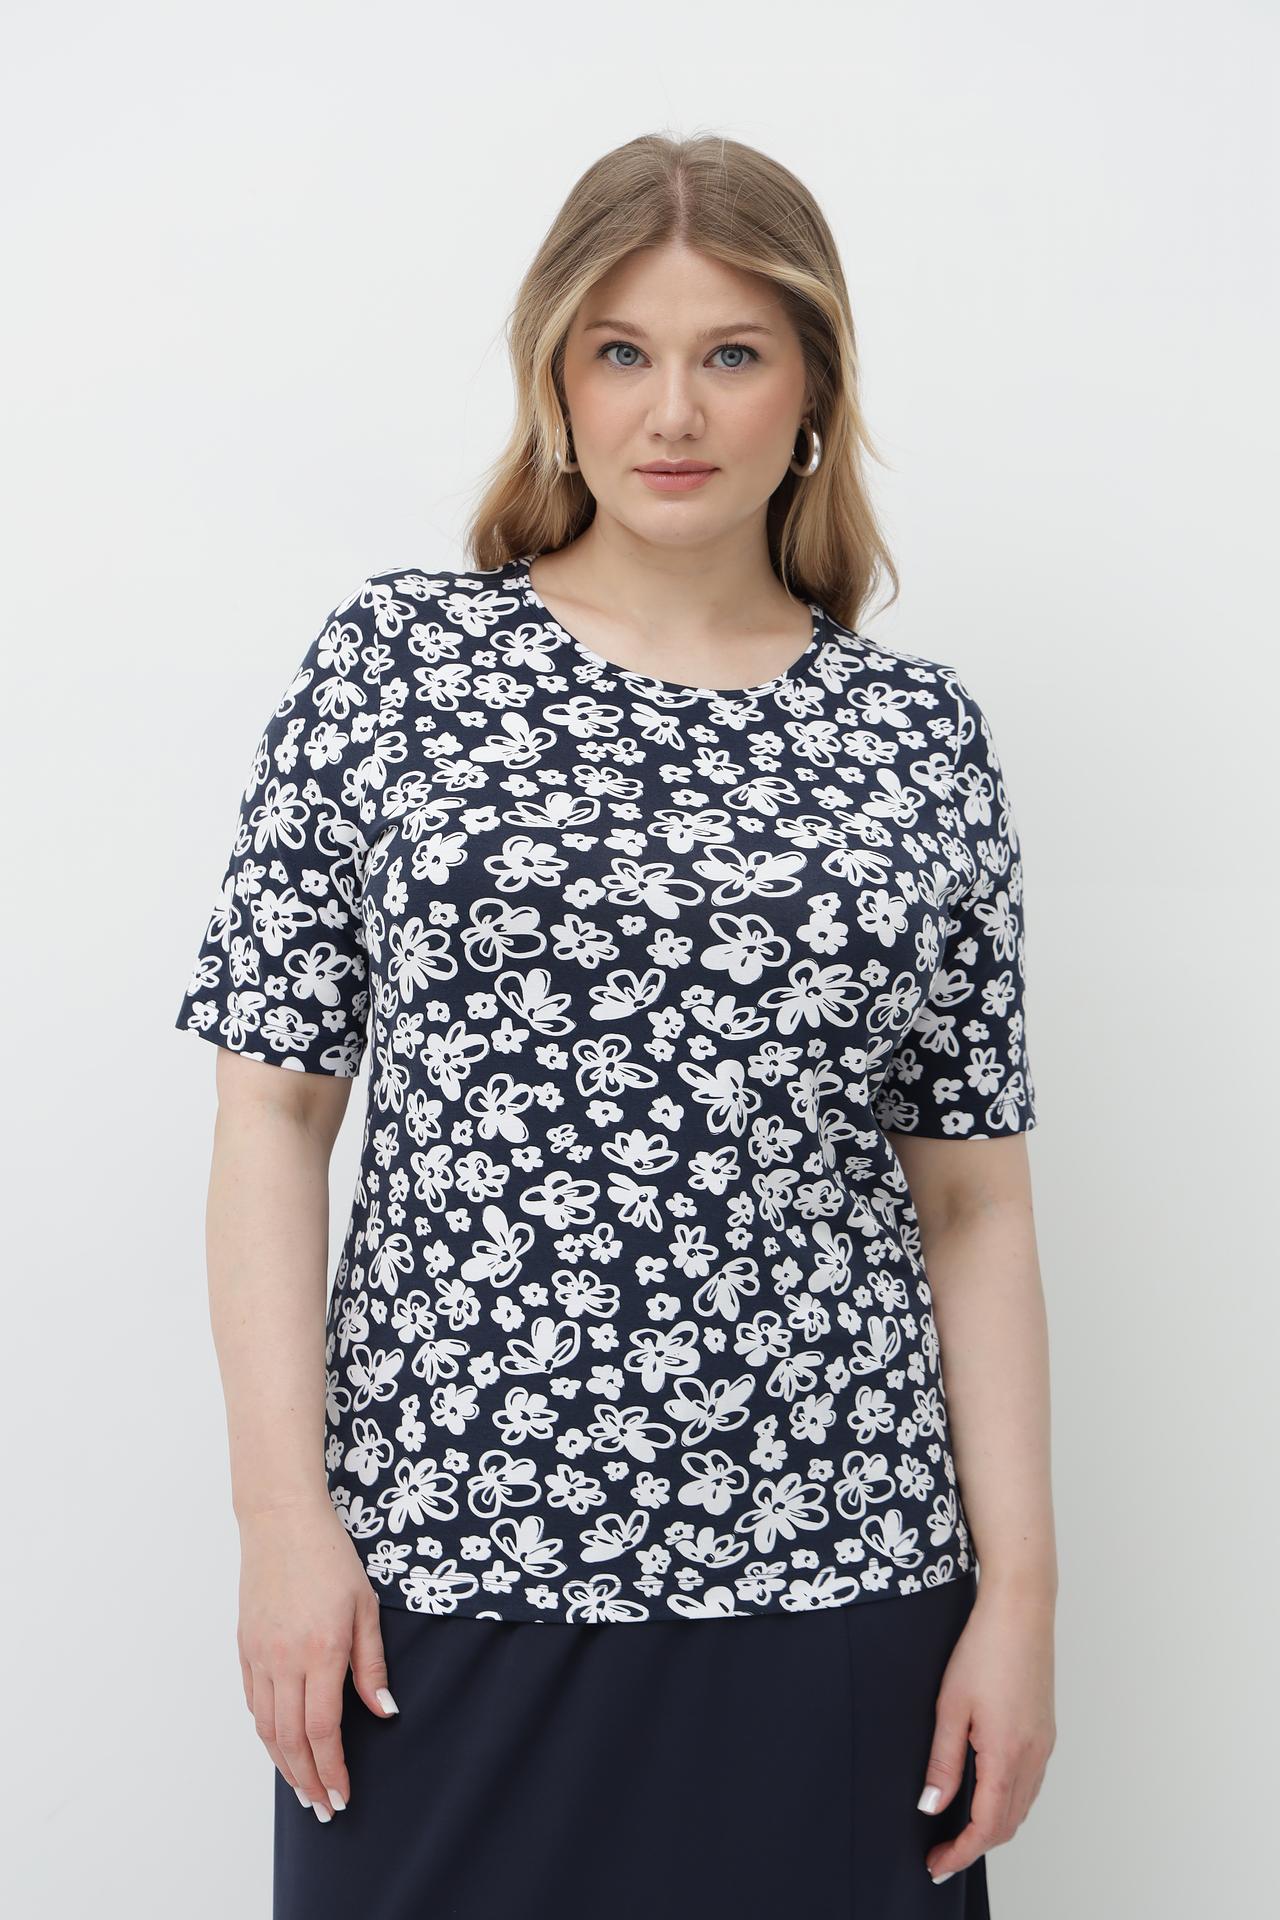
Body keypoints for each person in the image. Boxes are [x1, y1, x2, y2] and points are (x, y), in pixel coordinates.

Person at [174, 131, 1057, 1920]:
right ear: (557, 383)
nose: (675, 410)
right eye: (621, 351)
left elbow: (972, 1196)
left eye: (732, 353)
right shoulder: (396, 670)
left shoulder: (916, 738)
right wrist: (283, 1525)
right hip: (444, 1569)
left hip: (837, 1575)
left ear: (812, 392)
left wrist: (1023, 1599)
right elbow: (271, 1111)